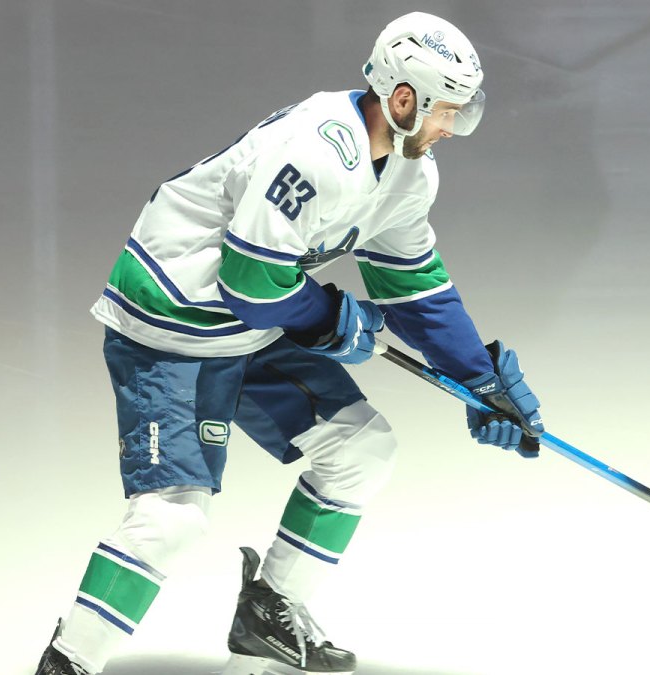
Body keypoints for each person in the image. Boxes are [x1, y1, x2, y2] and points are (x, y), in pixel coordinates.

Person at [34, 12, 544, 675]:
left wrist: (481, 380)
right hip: (172, 326)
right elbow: (248, 280)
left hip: (252, 324)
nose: (452, 127)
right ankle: (69, 658)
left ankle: (267, 611)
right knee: (173, 520)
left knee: (363, 449)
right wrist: (328, 317)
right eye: (447, 111)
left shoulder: (410, 176)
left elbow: (415, 289)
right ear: (403, 99)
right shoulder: (316, 149)